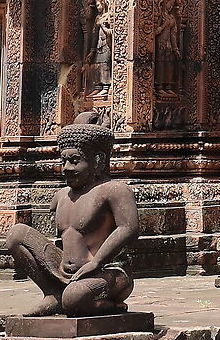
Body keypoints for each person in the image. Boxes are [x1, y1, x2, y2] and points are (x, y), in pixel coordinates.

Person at [8, 111, 138, 316]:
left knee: (73, 299)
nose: (67, 168)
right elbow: (57, 240)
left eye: (75, 161)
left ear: (98, 161)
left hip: (108, 273)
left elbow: (129, 229)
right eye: (64, 161)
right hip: (64, 272)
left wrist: (96, 262)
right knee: (17, 235)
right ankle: (52, 294)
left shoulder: (114, 190)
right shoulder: (61, 196)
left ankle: (106, 305)